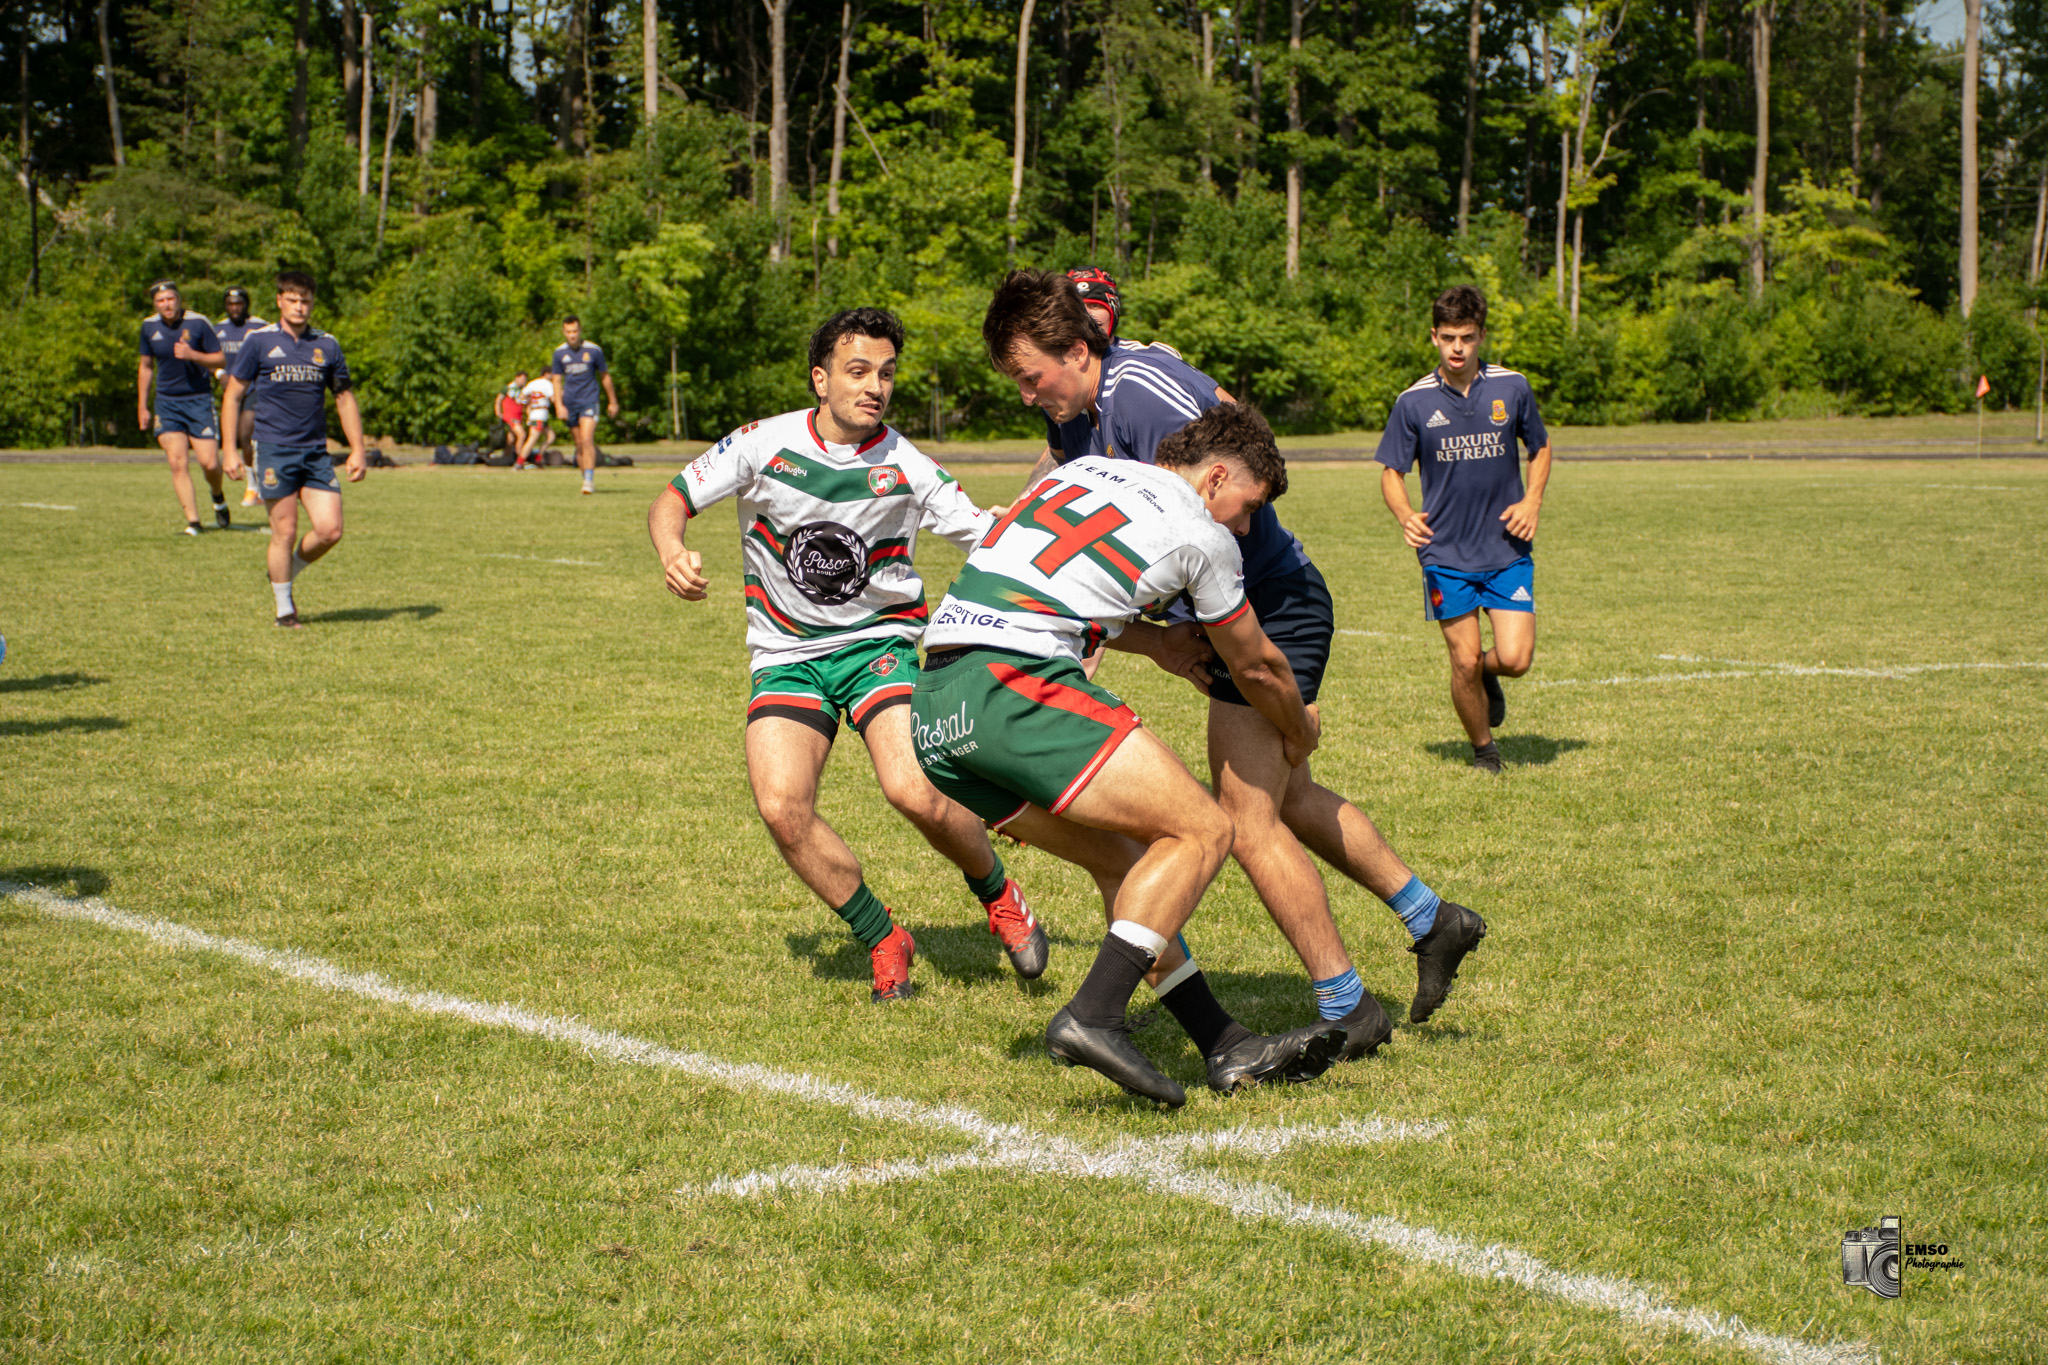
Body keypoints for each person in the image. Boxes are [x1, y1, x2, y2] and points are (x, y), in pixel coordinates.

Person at [982, 267, 1490, 1048]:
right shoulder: (1078, 412)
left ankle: (1349, 1007)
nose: (1026, 395)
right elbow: (1066, 483)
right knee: (1288, 798)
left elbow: (1245, 457)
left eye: (1029, 377)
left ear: (1078, 350)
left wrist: (1280, 700)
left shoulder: (1139, 390)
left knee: (1244, 820)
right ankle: (1433, 919)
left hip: (1270, 605)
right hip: (1225, 615)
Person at [913, 403, 1345, 1107]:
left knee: (1125, 862)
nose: (1245, 526)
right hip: (1013, 687)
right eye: (1249, 506)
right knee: (1205, 829)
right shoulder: (1204, 534)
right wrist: (1298, 730)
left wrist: (1155, 643)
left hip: (936, 709)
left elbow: (1043, 582)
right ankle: (1094, 1015)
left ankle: (1224, 1043)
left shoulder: (1083, 469)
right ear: (1215, 477)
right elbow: (1257, 666)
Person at [646, 307, 1045, 1004]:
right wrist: (671, 548)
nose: (875, 387)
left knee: (913, 789)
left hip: (876, 647)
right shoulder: (762, 444)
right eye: (858, 371)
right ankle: (883, 936)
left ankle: (998, 894)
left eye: (886, 374)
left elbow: (987, 537)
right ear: (820, 378)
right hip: (785, 654)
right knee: (782, 808)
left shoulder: (907, 465)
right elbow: (672, 499)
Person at [1377, 285, 1552, 774]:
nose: (1457, 348)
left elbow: (1540, 447)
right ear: (1434, 336)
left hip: (1506, 547)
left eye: (1467, 338)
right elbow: (1391, 472)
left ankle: (1484, 676)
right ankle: (1485, 752)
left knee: (1515, 658)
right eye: (1449, 337)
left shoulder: (1512, 388)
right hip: (1444, 553)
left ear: (1481, 337)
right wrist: (1405, 515)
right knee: (1463, 659)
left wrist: (1532, 500)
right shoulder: (1413, 401)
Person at [221, 270, 368, 629]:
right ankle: (284, 610)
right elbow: (233, 395)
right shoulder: (259, 341)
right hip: (274, 450)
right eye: (292, 300)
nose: (299, 307)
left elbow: (344, 398)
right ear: (279, 301)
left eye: (305, 301)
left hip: (315, 452)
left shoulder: (327, 345)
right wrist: (229, 450)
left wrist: (358, 449)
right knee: (285, 531)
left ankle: (286, 570)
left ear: (313, 303)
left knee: (330, 530)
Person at [136, 281, 228, 535]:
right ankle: (194, 522)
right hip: (167, 404)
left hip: (198, 401)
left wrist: (193, 355)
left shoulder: (198, 323)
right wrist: (142, 406)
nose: (166, 304)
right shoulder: (148, 326)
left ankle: (218, 495)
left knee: (210, 463)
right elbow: (146, 367)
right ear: (155, 304)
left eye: (170, 299)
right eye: (160, 300)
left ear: (178, 299)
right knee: (177, 463)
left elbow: (220, 359)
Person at [552, 316, 620, 495]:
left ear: (580, 330)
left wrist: (613, 401)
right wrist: (559, 405)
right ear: (563, 332)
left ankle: (589, 480)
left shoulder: (594, 350)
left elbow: (605, 376)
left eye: (575, 331)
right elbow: (557, 381)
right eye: (568, 332)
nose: (572, 335)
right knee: (579, 444)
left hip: (589, 400)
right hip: (570, 403)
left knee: (587, 439)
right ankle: (586, 478)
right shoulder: (559, 353)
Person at [216, 287, 271, 507]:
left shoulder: (260, 327)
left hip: (255, 389)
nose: (234, 308)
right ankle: (255, 484)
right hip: (230, 392)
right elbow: (209, 357)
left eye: (238, 303)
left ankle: (254, 486)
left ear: (246, 304)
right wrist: (219, 373)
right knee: (240, 439)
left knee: (246, 434)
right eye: (230, 304)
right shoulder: (218, 329)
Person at [518, 371, 556, 468]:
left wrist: (528, 402)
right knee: (532, 440)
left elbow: (521, 397)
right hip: (540, 413)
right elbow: (553, 399)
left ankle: (539, 459)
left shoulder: (532, 383)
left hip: (535, 413)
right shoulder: (548, 384)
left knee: (551, 437)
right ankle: (519, 462)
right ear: (547, 374)